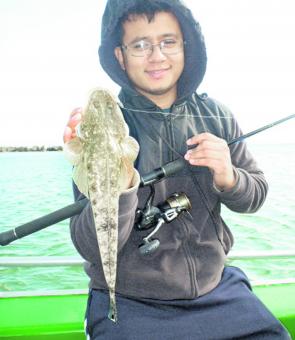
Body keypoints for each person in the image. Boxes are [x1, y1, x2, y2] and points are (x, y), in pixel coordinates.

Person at [64, 0, 291, 339]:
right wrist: (122, 185)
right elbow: (92, 247)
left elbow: (255, 195)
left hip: (217, 288)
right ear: (119, 55)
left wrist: (229, 177)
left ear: (187, 46)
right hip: (131, 300)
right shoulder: (102, 126)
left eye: (168, 41)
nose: (157, 56)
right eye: (140, 45)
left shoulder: (217, 116)